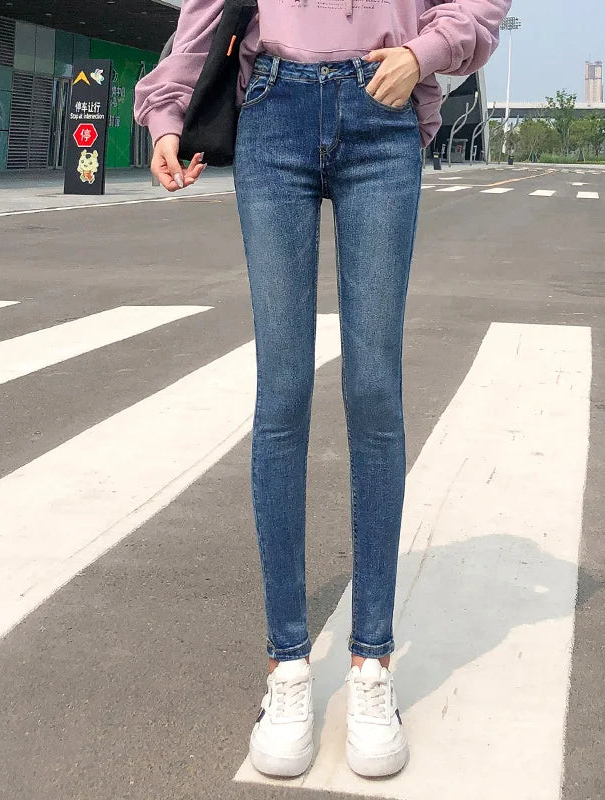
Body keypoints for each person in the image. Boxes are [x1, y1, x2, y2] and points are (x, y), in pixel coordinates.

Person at [134, 0, 510, 779]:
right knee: (281, 397)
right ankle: (288, 669)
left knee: (374, 393)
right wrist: (168, 111)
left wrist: (425, 53)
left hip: (383, 105)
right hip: (274, 106)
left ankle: (372, 664)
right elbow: (208, 9)